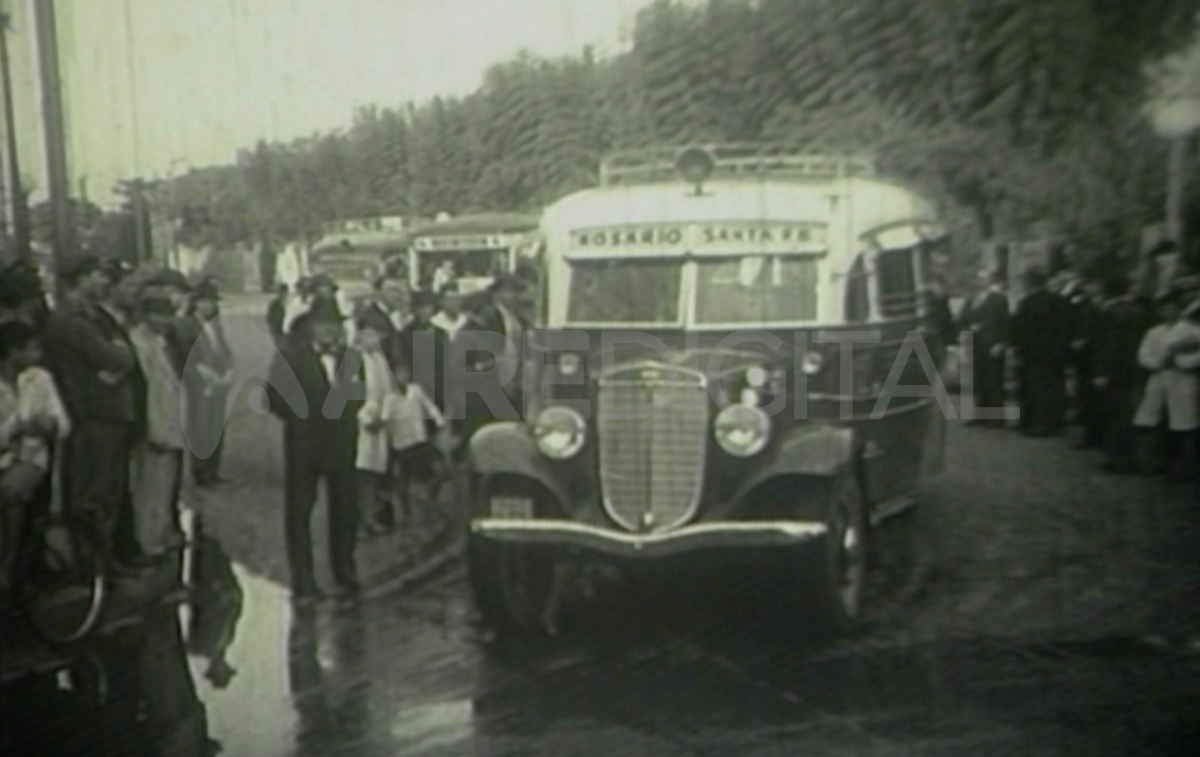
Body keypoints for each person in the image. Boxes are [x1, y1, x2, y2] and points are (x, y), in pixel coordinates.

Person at [42, 256, 142, 566]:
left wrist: (117, 357)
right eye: (97, 275)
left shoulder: (92, 317)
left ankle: (105, 560)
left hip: (108, 414)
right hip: (92, 415)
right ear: (80, 279)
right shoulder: (69, 321)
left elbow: (122, 357)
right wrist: (117, 355)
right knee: (94, 495)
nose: (104, 281)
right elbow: (118, 358)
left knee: (109, 493)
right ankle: (92, 565)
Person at [266, 303, 364, 606]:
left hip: (343, 443)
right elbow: (273, 398)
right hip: (304, 445)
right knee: (299, 512)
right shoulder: (292, 358)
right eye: (324, 325)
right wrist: (301, 421)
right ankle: (303, 581)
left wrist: (343, 418)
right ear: (310, 328)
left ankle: (344, 571)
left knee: (345, 510)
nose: (330, 331)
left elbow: (360, 395)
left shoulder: (350, 358)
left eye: (335, 325)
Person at [119, 267, 195, 563]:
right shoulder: (139, 344)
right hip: (152, 427)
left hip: (168, 423)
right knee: (147, 488)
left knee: (165, 487)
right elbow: (146, 392)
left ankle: (161, 534)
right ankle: (147, 541)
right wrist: (153, 429)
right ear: (146, 315)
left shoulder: (161, 342)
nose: (166, 322)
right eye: (160, 316)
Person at [0, 321, 70, 595]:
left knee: (8, 494)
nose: (37, 354)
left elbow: (63, 424)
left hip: (31, 458)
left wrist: (47, 426)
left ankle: (6, 570)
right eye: (31, 348)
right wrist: (15, 428)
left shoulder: (40, 379)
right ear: (13, 352)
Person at [1091, 273, 1156, 475]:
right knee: (1128, 414)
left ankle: (1119, 459)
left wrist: (1102, 372)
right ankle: (1128, 457)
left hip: (1115, 372)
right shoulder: (1139, 312)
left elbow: (1110, 346)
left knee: (1115, 416)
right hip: (1135, 369)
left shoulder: (1111, 312)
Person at [383, 354, 447, 525]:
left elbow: (430, 408)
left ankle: (430, 505)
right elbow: (384, 421)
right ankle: (407, 515)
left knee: (439, 472)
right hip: (401, 446)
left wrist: (439, 423)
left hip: (420, 441)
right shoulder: (389, 398)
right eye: (397, 374)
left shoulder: (416, 391)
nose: (401, 377)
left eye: (403, 373)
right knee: (403, 483)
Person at [183, 281, 235, 488]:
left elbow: (224, 350)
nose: (208, 306)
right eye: (203, 302)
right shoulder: (188, 325)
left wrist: (229, 369)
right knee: (200, 428)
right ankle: (200, 472)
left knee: (216, 427)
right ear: (194, 303)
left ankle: (213, 470)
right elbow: (186, 356)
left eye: (212, 302)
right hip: (200, 383)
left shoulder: (215, 325)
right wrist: (204, 374)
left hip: (219, 382)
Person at [1012, 266, 1070, 436]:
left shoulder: (1026, 304)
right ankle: (1056, 423)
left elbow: (1019, 330)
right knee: (1055, 388)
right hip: (1056, 353)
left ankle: (1038, 423)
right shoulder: (1060, 301)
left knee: (1036, 389)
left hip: (1033, 354)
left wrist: (1017, 349)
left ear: (1028, 283)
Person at [354, 327, 399, 537]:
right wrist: (365, 419)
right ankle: (360, 521)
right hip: (360, 423)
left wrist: (384, 417)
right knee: (360, 473)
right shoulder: (351, 360)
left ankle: (372, 517)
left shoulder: (379, 360)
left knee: (375, 473)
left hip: (379, 422)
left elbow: (389, 392)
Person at [1134, 288, 1184, 475]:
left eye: (1173, 309)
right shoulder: (1154, 333)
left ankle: (1177, 464)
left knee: (1179, 423)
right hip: (1158, 378)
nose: (1168, 313)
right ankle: (1150, 462)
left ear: (1179, 310)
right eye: (1165, 310)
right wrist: (1158, 363)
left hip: (1182, 380)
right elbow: (1143, 356)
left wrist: (1180, 363)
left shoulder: (1190, 330)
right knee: (1150, 419)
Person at [956, 268, 1009, 426]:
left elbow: (1005, 323)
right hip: (975, 344)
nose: (981, 282)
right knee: (979, 380)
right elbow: (962, 319)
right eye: (978, 279)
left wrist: (1001, 343)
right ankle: (980, 414)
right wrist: (966, 331)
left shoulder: (998, 299)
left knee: (994, 380)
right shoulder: (971, 300)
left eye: (984, 279)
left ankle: (996, 418)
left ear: (990, 281)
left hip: (992, 344)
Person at [1159, 292, 1200, 481]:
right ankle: (1185, 467)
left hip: (1188, 378)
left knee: (1187, 424)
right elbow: (1169, 356)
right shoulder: (1185, 329)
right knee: (1184, 423)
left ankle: (1186, 466)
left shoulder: (1188, 329)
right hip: (1183, 380)